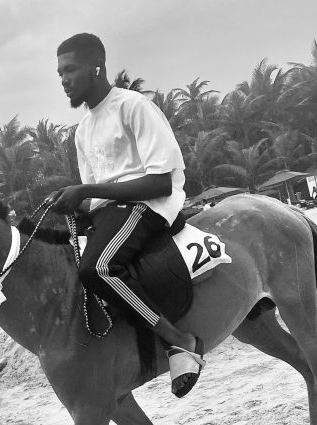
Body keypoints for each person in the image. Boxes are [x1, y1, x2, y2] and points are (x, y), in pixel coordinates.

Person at [52, 32, 205, 397]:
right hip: (114, 211)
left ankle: (181, 341)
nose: (64, 80)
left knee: (97, 269)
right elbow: (93, 198)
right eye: (59, 74)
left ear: (96, 67)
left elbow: (159, 183)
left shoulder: (133, 106)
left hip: (148, 205)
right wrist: (70, 206)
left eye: (70, 70)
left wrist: (86, 191)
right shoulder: (83, 130)